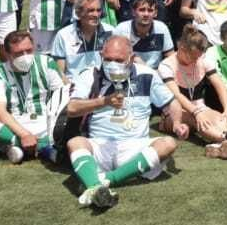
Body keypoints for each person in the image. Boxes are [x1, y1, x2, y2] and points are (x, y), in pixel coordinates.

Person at [65, 34, 182, 210]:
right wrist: (103, 101)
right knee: (75, 142)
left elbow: (171, 103)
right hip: (100, 145)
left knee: (168, 143)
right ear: (101, 56)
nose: (112, 64)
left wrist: (177, 123)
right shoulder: (89, 74)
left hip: (134, 146)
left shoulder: (147, 75)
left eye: (119, 60)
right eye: (108, 59)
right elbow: (71, 108)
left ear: (131, 58)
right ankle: (99, 185)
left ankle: (102, 182)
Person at [0, 30, 64, 163]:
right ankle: (43, 147)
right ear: (7, 54)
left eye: (28, 51)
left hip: (45, 122)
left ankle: (16, 148)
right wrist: (24, 134)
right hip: (13, 125)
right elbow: (0, 112)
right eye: (18, 53)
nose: (25, 56)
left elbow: (61, 95)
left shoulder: (46, 62)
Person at [156, 27, 227, 156]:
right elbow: (177, 95)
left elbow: (219, 84)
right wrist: (196, 113)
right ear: (182, 48)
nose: (195, 60)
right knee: (197, 119)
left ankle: (218, 146)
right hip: (174, 113)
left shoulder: (202, 59)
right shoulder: (166, 66)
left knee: (220, 118)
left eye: (198, 57)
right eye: (192, 57)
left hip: (199, 107)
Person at [50, 0, 113, 80]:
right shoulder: (64, 35)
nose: (96, 15)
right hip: (74, 85)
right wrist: (71, 87)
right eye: (91, 10)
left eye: (98, 10)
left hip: (103, 84)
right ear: (78, 13)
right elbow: (60, 74)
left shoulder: (111, 32)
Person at [112, 0, 176, 70]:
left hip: (156, 72)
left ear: (155, 13)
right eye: (142, 10)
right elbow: (112, 57)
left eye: (150, 10)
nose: (146, 14)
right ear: (133, 12)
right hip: (128, 71)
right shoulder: (121, 29)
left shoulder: (162, 28)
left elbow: (170, 57)